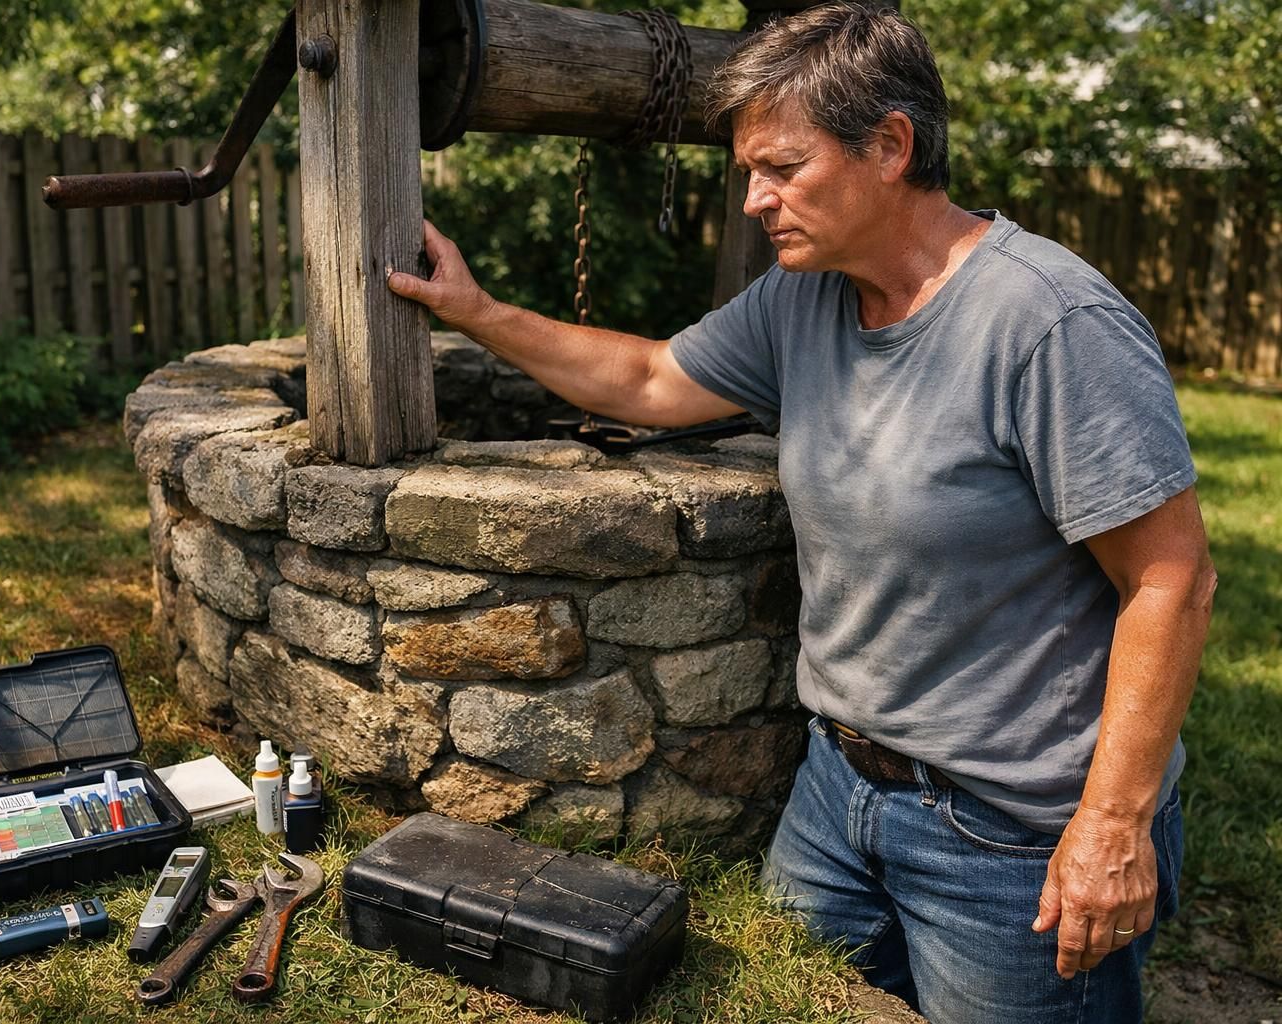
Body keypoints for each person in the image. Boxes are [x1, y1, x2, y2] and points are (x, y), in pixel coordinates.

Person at [386, 3, 1215, 1021]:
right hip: (838, 797)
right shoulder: (803, 298)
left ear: (891, 146)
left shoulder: (1050, 323)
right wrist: (476, 312)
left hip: (1014, 833)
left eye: (781, 167)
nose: (754, 201)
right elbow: (651, 380)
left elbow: (1170, 576)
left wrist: (1112, 824)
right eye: (748, 172)